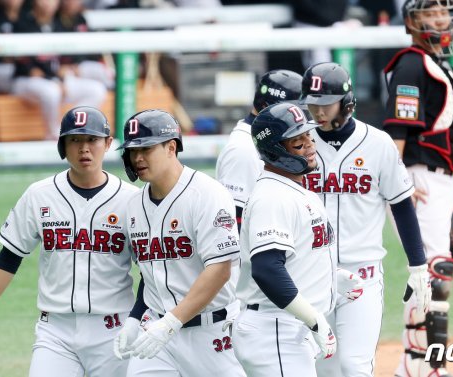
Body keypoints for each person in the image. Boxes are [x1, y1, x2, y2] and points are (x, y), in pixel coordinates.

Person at [0, 107, 139, 377]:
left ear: (108, 143)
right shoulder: (39, 195)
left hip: (114, 329)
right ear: (62, 146)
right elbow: (10, 256)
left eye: (92, 140)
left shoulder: (132, 200)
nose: (84, 149)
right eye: (75, 140)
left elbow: (151, 267)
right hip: (56, 331)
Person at [299, 62, 431, 377]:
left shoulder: (378, 144)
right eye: (312, 103)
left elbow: (402, 205)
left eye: (325, 104)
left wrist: (419, 267)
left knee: (354, 366)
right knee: (323, 366)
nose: (318, 111)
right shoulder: (298, 145)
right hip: (311, 274)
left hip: (363, 274)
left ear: (346, 102)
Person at [114, 109, 246, 377]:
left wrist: (171, 323)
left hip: (213, 335)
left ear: (171, 147)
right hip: (157, 336)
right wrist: (134, 318)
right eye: (131, 151)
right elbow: (151, 274)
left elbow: (220, 269)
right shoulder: (134, 205)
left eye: (146, 149)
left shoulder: (207, 194)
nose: (137, 158)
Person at [233, 102, 348, 377]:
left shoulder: (295, 190)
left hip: (286, 325)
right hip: (275, 328)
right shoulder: (272, 198)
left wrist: (334, 277)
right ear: (275, 149)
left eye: (308, 136)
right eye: (298, 142)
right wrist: (315, 320)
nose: (310, 146)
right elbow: (267, 269)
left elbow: (296, 258)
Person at [382, 1, 453, 376]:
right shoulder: (412, 63)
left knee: (438, 270)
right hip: (417, 176)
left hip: (439, 180)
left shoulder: (438, 62)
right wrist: (398, 180)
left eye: (444, 11)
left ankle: (421, 365)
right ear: (411, 20)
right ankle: (423, 366)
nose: (439, 19)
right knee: (432, 271)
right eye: (429, 12)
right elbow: (399, 128)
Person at [215, 69, 303, 231]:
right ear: (267, 108)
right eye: (291, 110)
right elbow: (231, 222)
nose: (299, 116)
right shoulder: (243, 149)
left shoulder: (264, 140)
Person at [12, 0, 107, 140]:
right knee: (51, 91)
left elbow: (64, 60)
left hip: (54, 79)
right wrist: (54, 79)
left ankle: (69, 126)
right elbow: (27, 66)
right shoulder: (22, 23)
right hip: (26, 81)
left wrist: (63, 74)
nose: (48, 3)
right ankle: (53, 137)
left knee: (97, 90)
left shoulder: (59, 24)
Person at [55, 0, 115, 89]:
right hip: (62, 67)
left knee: (105, 73)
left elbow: (90, 45)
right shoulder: (56, 20)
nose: (73, 3)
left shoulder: (81, 19)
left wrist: (78, 63)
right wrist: (70, 66)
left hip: (82, 63)